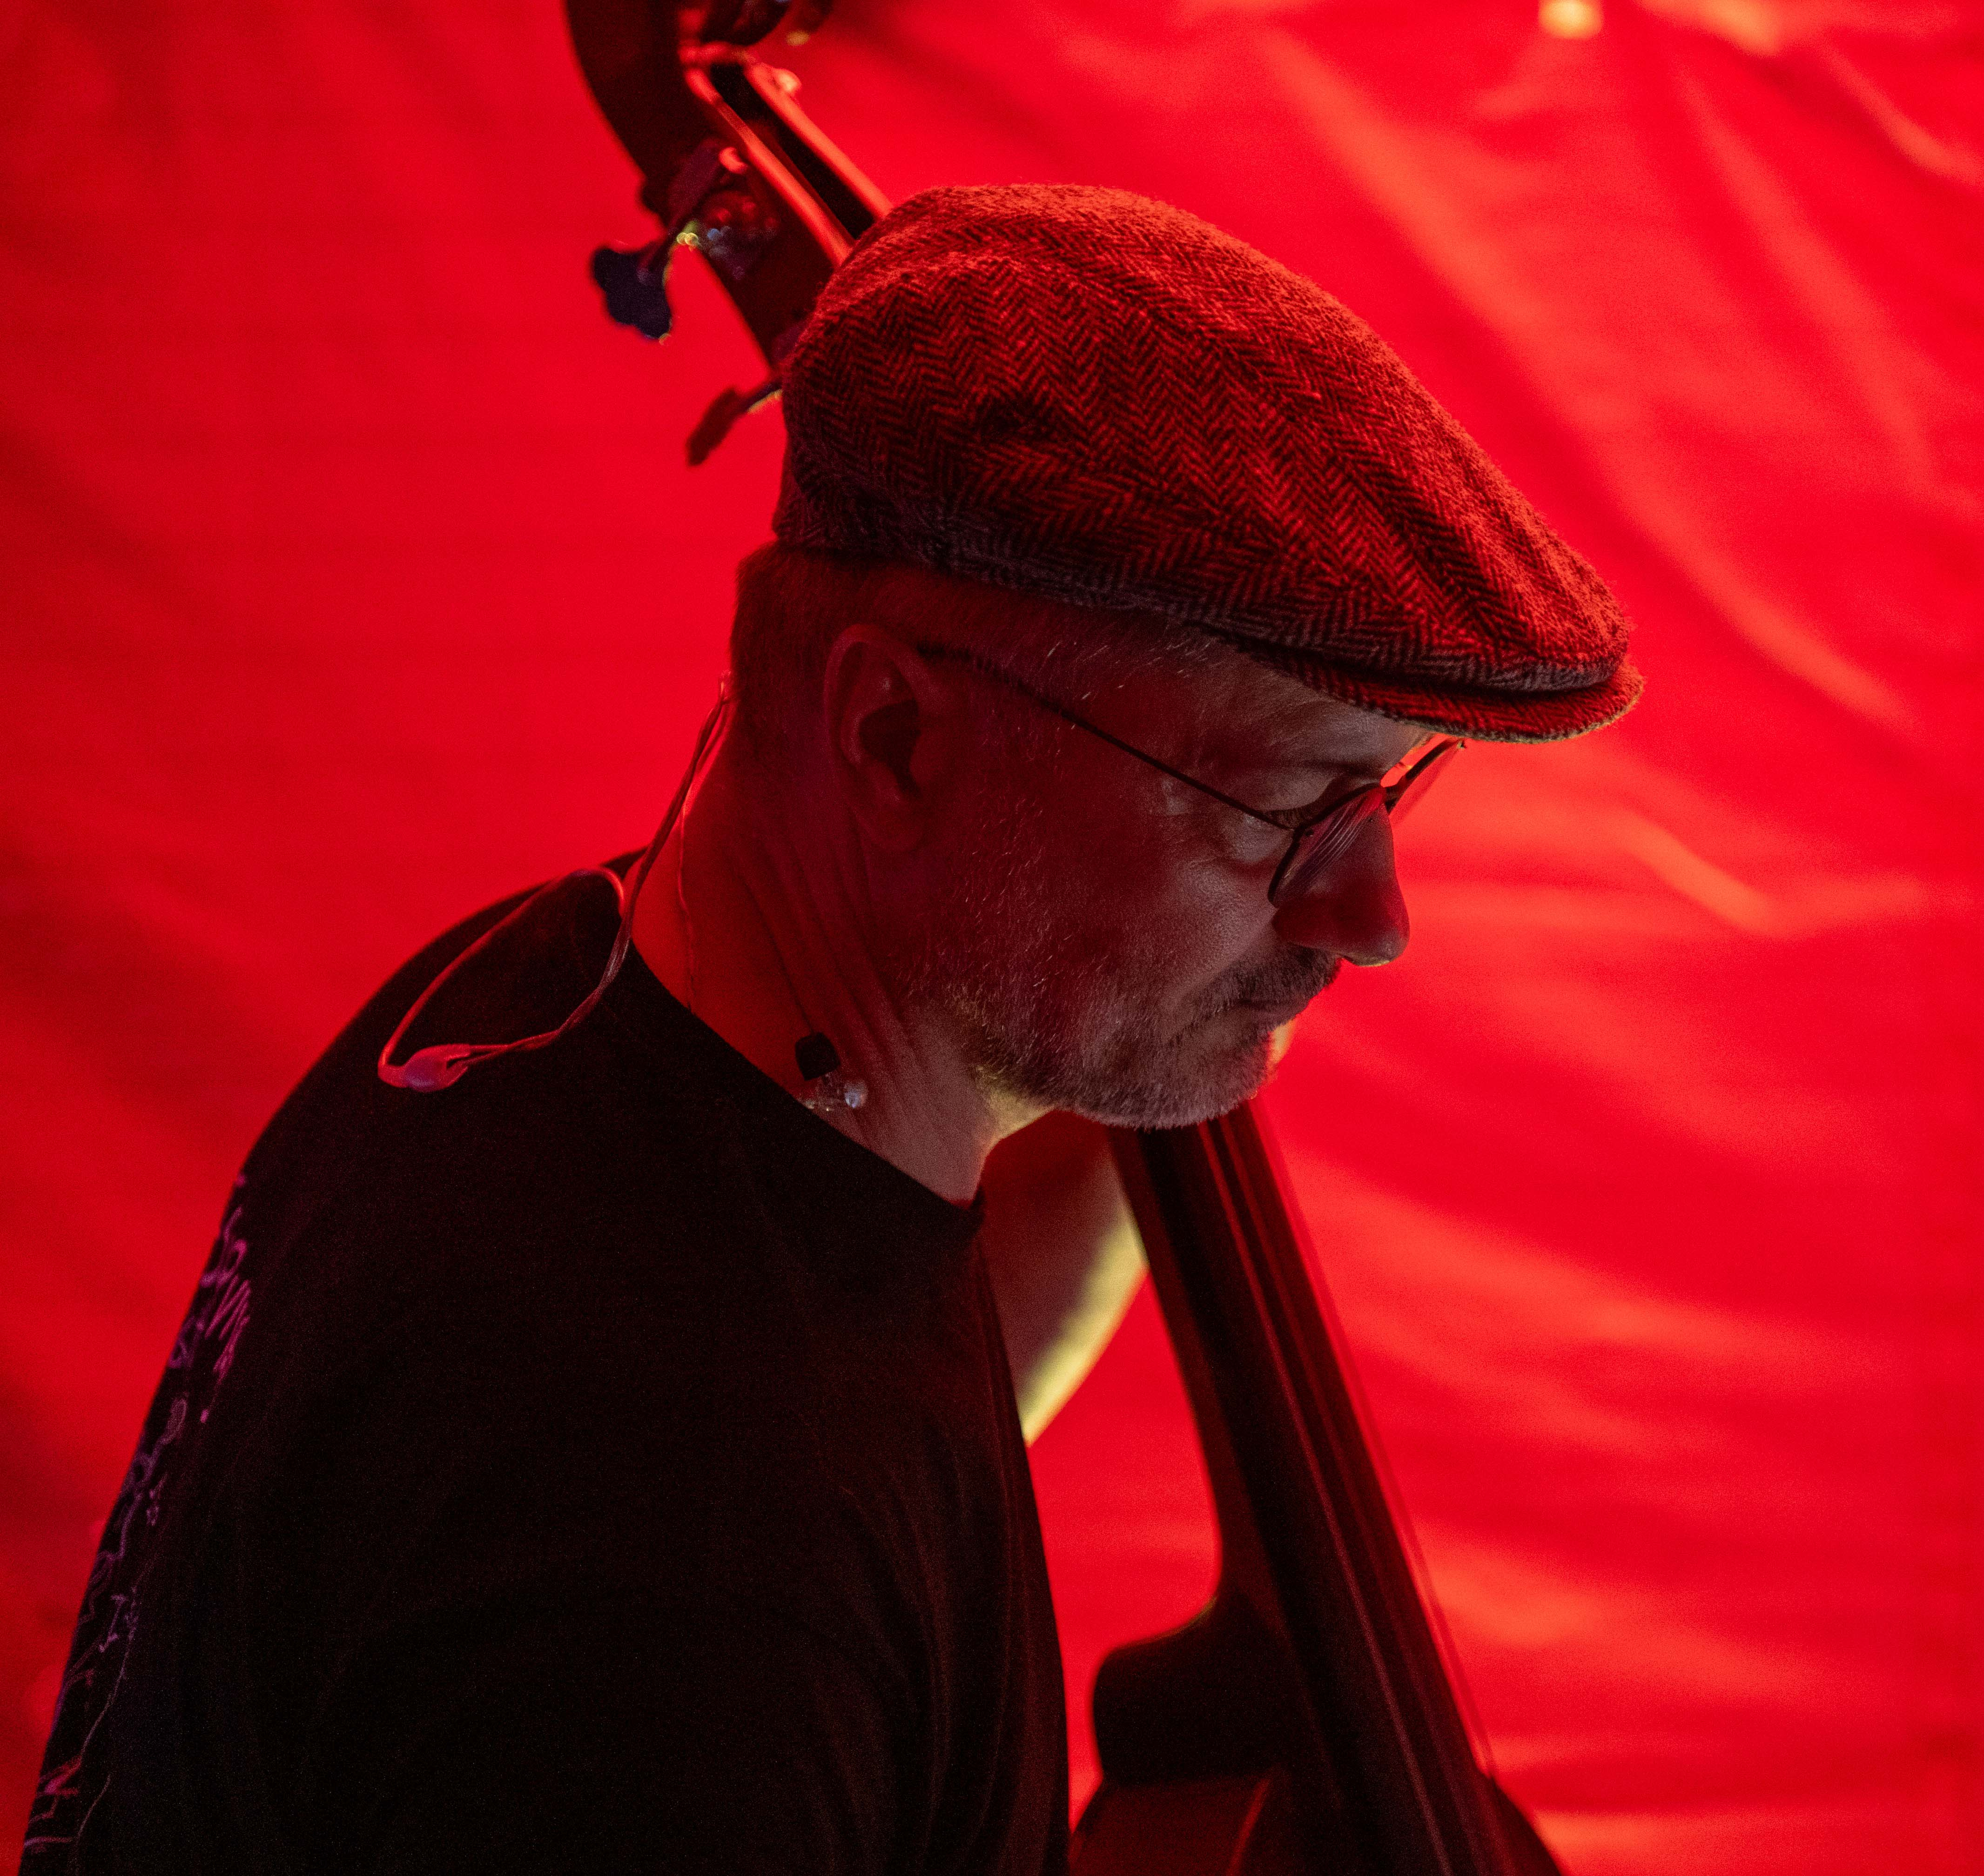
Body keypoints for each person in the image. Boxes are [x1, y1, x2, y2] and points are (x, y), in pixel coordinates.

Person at [21, 183, 1638, 1875]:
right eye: (1288, 807)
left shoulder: (560, 1003)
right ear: (893, 739)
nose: (1373, 919)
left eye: (1389, 794)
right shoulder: (676, 1583)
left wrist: (1184, 1009)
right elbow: (745, 1507)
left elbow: (871, 1366)